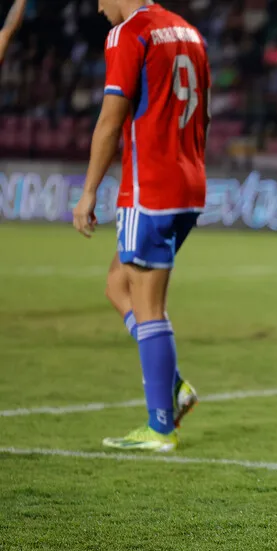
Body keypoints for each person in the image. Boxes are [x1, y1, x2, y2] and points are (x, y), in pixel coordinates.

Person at [71, 0, 210, 451]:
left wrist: (89, 190)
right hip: (189, 183)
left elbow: (111, 120)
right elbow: (204, 116)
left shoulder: (130, 32)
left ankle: (160, 427)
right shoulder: (190, 33)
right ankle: (173, 387)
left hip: (148, 188)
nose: (97, 7)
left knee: (149, 307)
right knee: (117, 285)